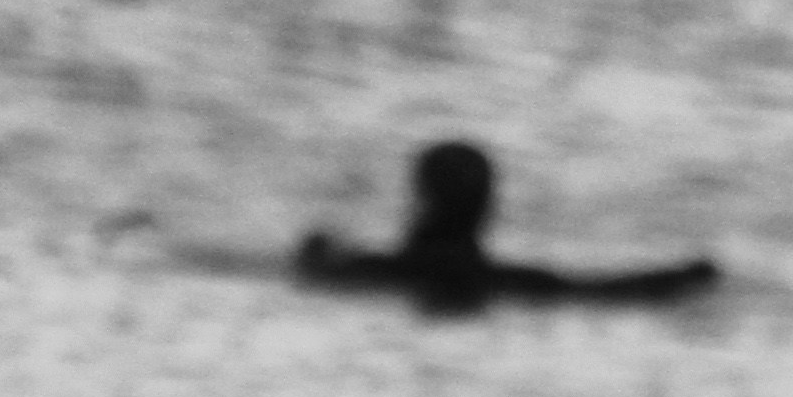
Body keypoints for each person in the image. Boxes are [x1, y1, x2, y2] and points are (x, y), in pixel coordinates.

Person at [291, 139, 718, 314]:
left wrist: (314, 250)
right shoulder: (521, 280)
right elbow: (598, 291)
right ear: (489, 203)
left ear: (420, 194)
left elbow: (313, 268)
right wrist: (679, 276)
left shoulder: (371, 269)